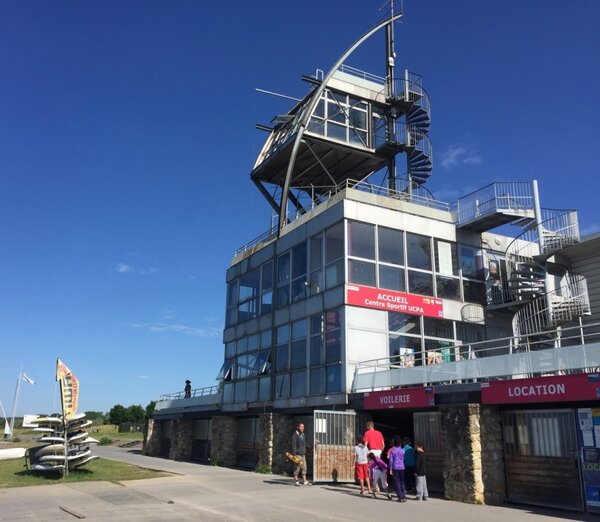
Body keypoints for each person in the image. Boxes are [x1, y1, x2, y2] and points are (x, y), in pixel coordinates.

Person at [388, 435, 407, 502]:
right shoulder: (402, 451)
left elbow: (391, 460)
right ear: (400, 443)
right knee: (402, 482)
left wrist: (390, 468)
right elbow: (403, 459)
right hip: (402, 467)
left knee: (397, 482)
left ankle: (400, 497)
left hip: (395, 468)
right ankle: (404, 496)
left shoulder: (393, 451)